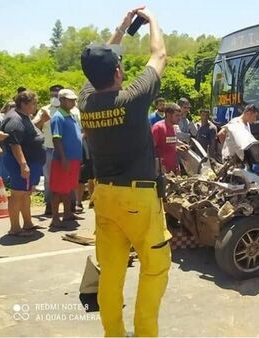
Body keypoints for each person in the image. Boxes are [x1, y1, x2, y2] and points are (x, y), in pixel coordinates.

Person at [77, 7, 170, 337]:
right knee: (155, 267)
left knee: (112, 272)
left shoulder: (84, 100)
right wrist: (152, 21)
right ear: (118, 72)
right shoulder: (132, 99)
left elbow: (98, 70)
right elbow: (159, 53)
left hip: (104, 197)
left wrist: (121, 28)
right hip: (139, 198)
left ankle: (113, 333)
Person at [0, 90, 46, 236]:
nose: (35, 106)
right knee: (18, 194)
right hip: (19, 162)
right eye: (33, 104)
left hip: (30, 161)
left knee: (25, 193)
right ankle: (15, 228)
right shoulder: (15, 119)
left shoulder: (24, 116)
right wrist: (23, 165)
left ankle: (28, 223)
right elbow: (14, 144)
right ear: (23, 104)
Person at [49, 89, 83, 228]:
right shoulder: (58, 117)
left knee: (68, 188)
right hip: (63, 160)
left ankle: (67, 213)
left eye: (74, 99)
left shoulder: (71, 115)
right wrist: (63, 159)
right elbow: (57, 139)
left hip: (74, 158)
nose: (73, 102)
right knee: (58, 189)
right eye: (70, 99)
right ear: (61, 100)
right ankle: (55, 217)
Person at [32, 84, 64, 216]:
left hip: (65, 149)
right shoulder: (44, 110)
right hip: (49, 149)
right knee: (48, 179)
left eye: (56, 95)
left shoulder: (70, 109)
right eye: (52, 95)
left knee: (66, 177)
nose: (54, 98)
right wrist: (42, 119)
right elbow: (33, 127)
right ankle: (49, 205)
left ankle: (70, 205)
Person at [151, 103, 182, 174]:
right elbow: (150, 149)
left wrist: (177, 148)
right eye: (177, 115)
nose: (179, 118)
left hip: (173, 171)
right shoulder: (158, 127)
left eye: (180, 115)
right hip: (161, 172)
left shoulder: (174, 128)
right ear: (168, 115)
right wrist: (158, 167)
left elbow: (168, 145)